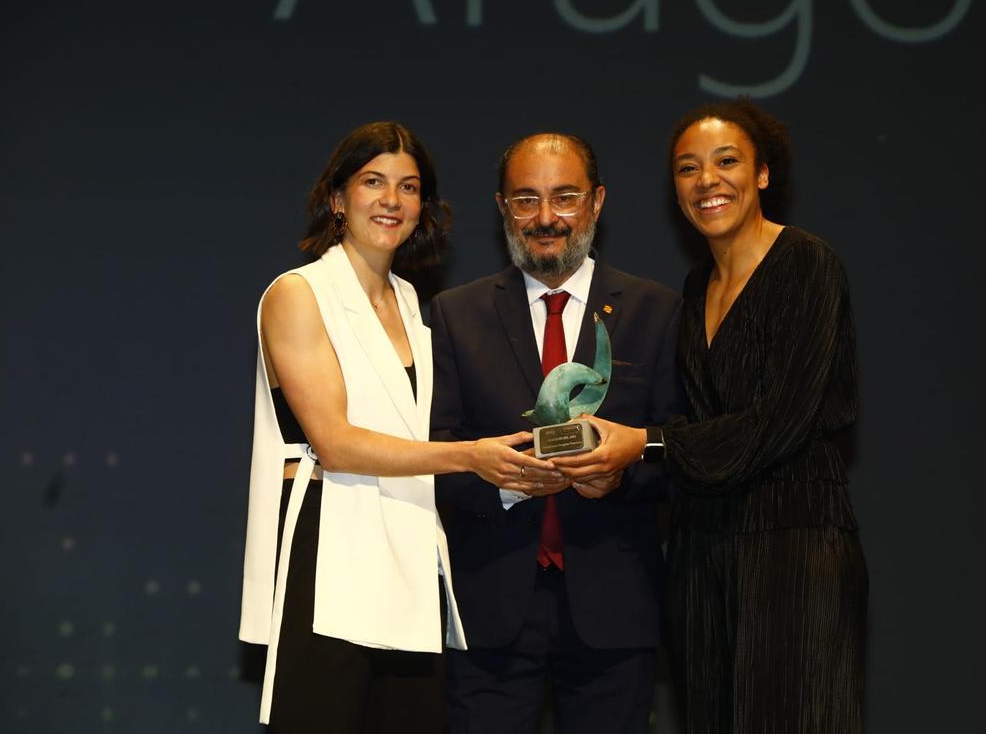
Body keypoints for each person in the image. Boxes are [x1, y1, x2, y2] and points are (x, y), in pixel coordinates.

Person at [554, 100, 868, 732]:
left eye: (727, 162)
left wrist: (643, 443)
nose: (707, 181)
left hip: (795, 547)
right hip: (702, 554)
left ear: (762, 174)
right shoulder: (695, 288)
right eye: (687, 169)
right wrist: (610, 460)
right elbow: (689, 421)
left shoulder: (808, 264)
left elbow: (780, 420)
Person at [238, 121, 554, 732]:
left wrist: (518, 464)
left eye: (408, 187)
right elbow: (333, 441)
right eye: (373, 182)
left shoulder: (412, 303)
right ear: (337, 198)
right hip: (327, 548)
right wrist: (471, 457)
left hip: (407, 554)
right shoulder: (299, 294)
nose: (391, 200)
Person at [429, 132, 684, 733]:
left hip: (615, 609)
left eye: (564, 197)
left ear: (597, 202)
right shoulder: (454, 314)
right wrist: (504, 483)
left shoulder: (656, 310)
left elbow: (685, 452)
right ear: (501, 209)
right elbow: (433, 455)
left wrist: (621, 475)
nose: (546, 218)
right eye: (526, 200)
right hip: (490, 609)